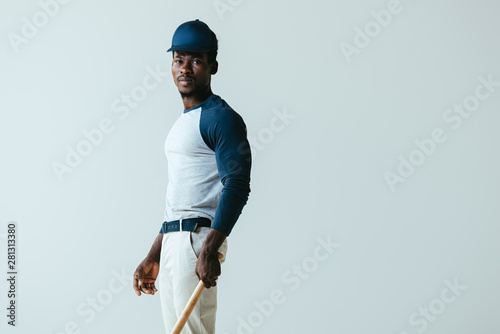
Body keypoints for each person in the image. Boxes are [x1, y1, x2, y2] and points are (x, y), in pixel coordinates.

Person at [132, 19, 252, 334]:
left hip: (196, 242)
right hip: (173, 241)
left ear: (212, 65)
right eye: (178, 60)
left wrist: (210, 249)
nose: (185, 68)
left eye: (196, 60)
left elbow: (237, 185)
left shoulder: (221, 119)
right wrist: (154, 254)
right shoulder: (181, 124)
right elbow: (180, 199)